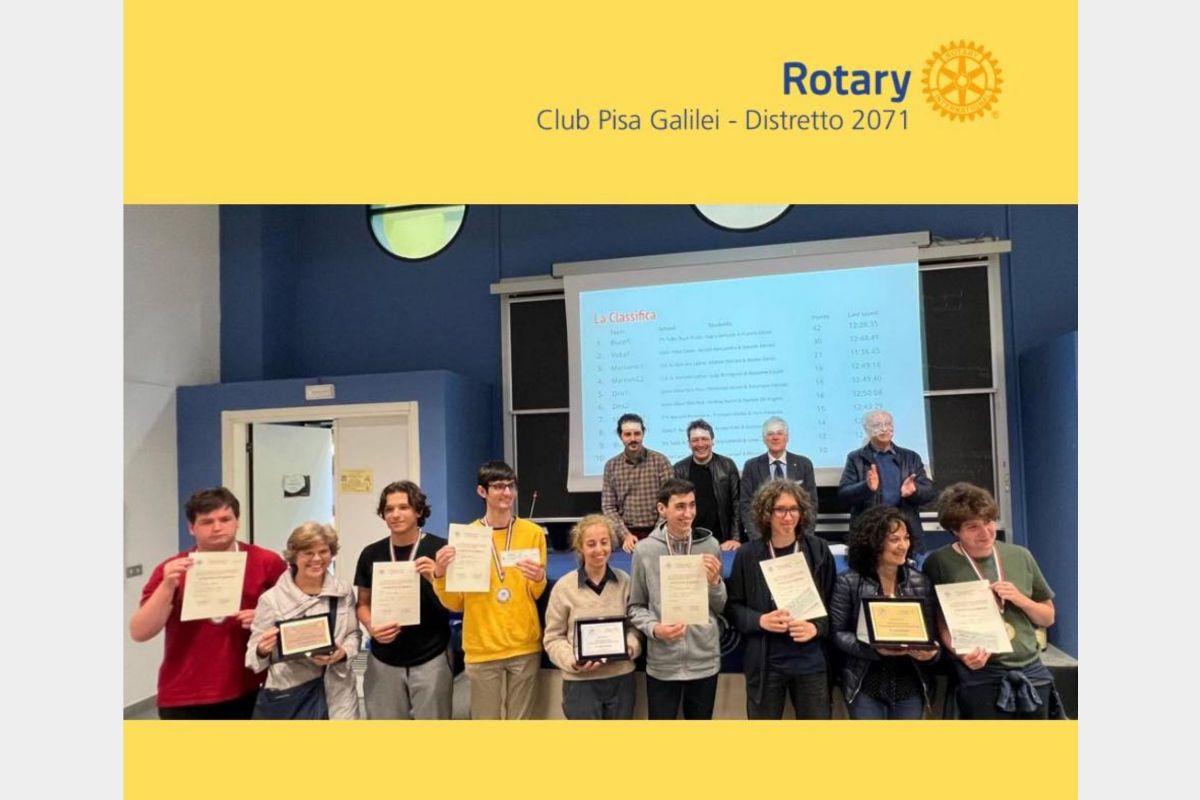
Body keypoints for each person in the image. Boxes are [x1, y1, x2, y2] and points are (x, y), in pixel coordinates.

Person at [129, 487, 287, 719]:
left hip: (250, 688)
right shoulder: (172, 569)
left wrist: (264, 618)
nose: (217, 528)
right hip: (185, 693)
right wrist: (167, 586)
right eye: (206, 522)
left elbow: (294, 612)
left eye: (225, 519)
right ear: (191, 527)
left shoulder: (267, 562)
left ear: (237, 521)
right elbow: (140, 632)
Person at [923, 483, 1058, 719]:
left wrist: (1021, 599)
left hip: (1031, 670)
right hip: (981, 673)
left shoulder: (1020, 556)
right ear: (955, 530)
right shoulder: (939, 562)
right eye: (972, 527)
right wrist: (960, 652)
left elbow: (1047, 618)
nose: (985, 532)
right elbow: (940, 622)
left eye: (989, 522)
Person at [432, 461, 548, 719]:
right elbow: (455, 603)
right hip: (482, 646)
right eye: (498, 486)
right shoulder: (466, 537)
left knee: (521, 724)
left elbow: (535, 592)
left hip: (523, 645)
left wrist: (539, 578)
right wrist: (439, 575)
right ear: (482, 491)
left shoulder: (533, 533)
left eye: (510, 486)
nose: (507, 492)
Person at [725, 480, 835, 719]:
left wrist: (816, 628)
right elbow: (733, 608)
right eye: (780, 510)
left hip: (810, 661)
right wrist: (760, 620)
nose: (788, 517)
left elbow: (833, 607)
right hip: (766, 662)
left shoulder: (818, 550)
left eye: (794, 509)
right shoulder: (748, 554)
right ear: (766, 513)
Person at [628, 478, 726, 719]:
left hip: (704, 660)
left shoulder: (710, 546)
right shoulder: (645, 550)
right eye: (680, 506)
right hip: (663, 662)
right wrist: (655, 629)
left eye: (692, 505)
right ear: (662, 509)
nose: (688, 513)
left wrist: (715, 583)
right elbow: (636, 606)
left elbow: (719, 606)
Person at [353, 480, 452, 719]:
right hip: (384, 656)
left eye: (403, 507)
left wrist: (436, 577)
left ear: (418, 511)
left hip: (431, 654)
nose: (395, 514)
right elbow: (362, 604)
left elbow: (457, 602)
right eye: (389, 509)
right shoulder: (371, 553)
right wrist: (371, 627)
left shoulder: (441, 549)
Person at [829, 506, 938, 720]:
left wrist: (932, 653)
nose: (903, 545)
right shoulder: (848, 581)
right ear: (874, 542)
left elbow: (930, 636)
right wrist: (874, 650)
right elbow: (837, 633)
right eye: (894, 539)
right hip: (865, 683)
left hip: (910, 684)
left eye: (906, 538)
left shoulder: (920, 582)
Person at [246, 522, 361, 719]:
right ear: (294, 556)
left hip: (339, 695)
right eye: (308, 553)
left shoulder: (343, 591)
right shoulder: (272, 600)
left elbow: (353, 634)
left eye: (323, 551)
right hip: (291, 695)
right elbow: (252, 658)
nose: (317, 559)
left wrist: (342, 653)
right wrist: (262, 650)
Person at [542, 514, 642, 719]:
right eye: (591, 544)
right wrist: (571, 660)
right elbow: (553, 638)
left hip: (621, 679)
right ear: (580, 547)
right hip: (580, 683)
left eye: (604, 542)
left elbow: (636, 627)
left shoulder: (625, 582)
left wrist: (631, 646)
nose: (599, 549)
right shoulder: (564, 587)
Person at [838, 409, 935, 541]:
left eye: (888, 424)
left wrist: (915, 491)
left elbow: (929, 492)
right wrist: (866, 487)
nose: (884, 429)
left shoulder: (911, 457)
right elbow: (844, 495)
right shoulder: (856, 458)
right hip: (870, 532)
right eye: (877, 425)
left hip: (906, 531)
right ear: (866, 429)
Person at [602, 412, 673, 553]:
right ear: (620, 436)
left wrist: (655, 536)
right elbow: (608, 507)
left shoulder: (661, 462)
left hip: (659, 533)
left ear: (643, 433)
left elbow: (669, 501)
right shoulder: (611, 466)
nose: (633, 439)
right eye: (627, 434)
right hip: (625, 537)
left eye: (637, 434)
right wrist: (625, 535)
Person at [740, 416, 818, 539]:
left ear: (787, 438)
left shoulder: (804, 464)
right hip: (764, 535)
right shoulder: (751, 466)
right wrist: (758, 539)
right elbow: (746, 505)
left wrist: (805, 537)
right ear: (764, 439)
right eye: (770, 434)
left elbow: (811, 503)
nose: (775, 437)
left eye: (779, 433)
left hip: (797, 534)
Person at [672, 419, 742, 551]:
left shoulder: (727, 465)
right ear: (689, 444)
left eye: (704, 439)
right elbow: (675, 508)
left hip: (724, 542)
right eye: (695, 440)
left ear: (712, 441)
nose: (700, 444)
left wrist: (735, 538)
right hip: (690, 542)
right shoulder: (679, 469)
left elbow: (737, 504)